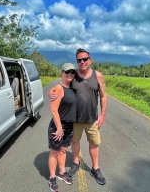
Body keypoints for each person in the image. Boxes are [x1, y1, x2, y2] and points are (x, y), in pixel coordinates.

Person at [49, 48, 107, 185]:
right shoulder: (73, 76)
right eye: (79, 60)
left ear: (90, 60)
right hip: (75, 119)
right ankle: (75, 163)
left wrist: (103, 114)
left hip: (92, 118)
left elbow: (103, 96)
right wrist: (50, 93)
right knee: (75, 142)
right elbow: (61, 87)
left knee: (94, 143)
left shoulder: (98, 76)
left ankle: (95, 168)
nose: (82, 62)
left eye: (85, 59)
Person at [48, 63, 77, 192]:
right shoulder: (59, 88)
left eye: (72, 72)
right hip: (59, 125)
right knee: (55, 152)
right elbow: (54, 110)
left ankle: (62, 173)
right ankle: (52, 178)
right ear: (62, 73)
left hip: (69, 126)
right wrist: (59, 128)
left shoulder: (72, 87)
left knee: (63, 150)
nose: (70, 74)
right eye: (67, 72)